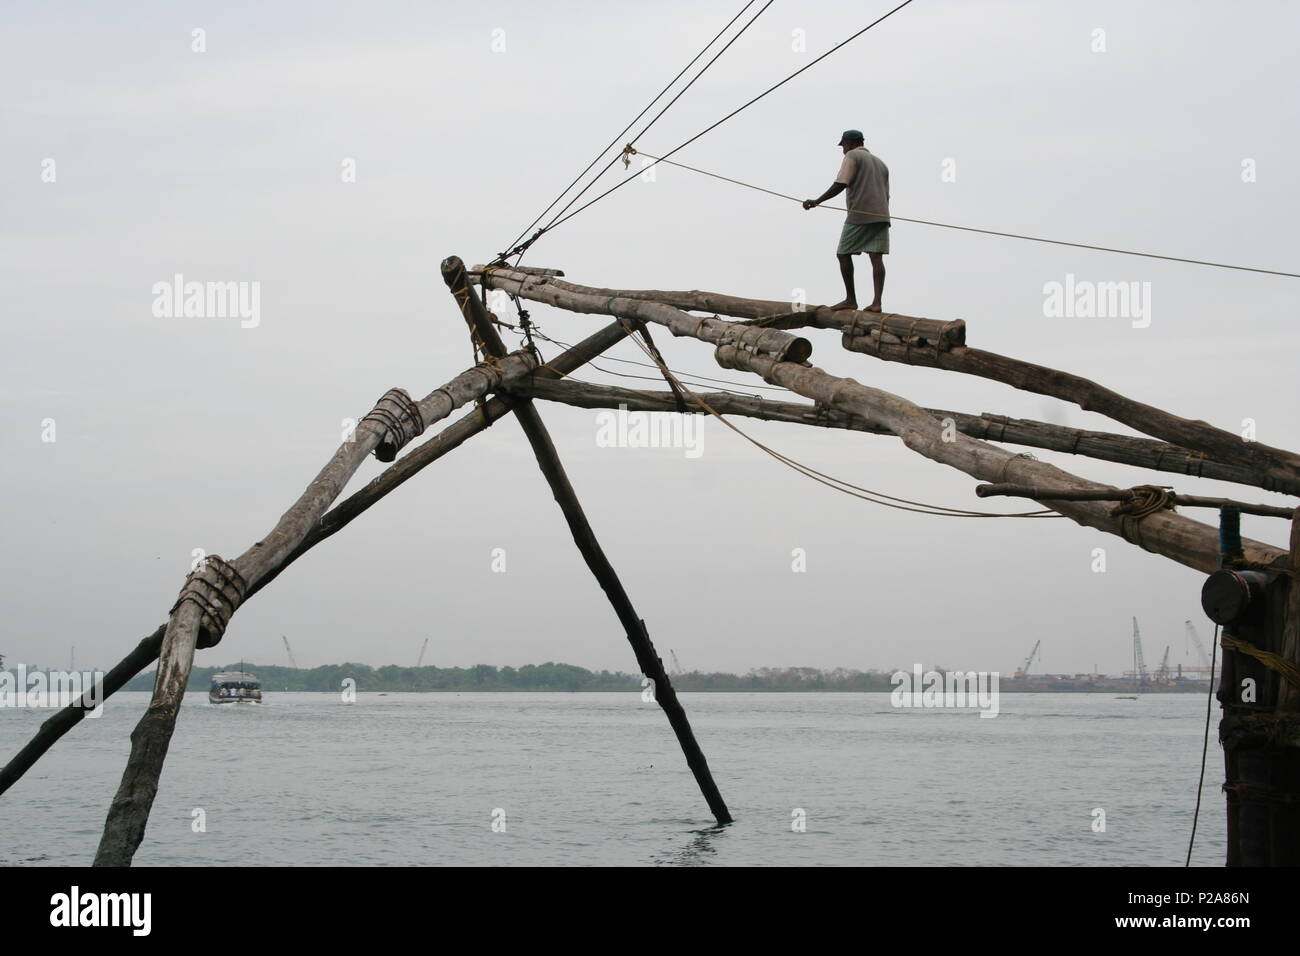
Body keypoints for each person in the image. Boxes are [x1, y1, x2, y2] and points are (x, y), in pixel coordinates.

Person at [802, 129, 890, 312]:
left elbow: (841, 183)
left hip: (860, 214)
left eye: (843, 145)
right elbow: (887, 194)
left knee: (843, 254)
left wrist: (817, 201)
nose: (842, 149)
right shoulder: (881, 164)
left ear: (849, 143)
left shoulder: (852, 156)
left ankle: (851, 299)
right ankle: (877, 303)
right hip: (881, 214)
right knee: (876, 257)